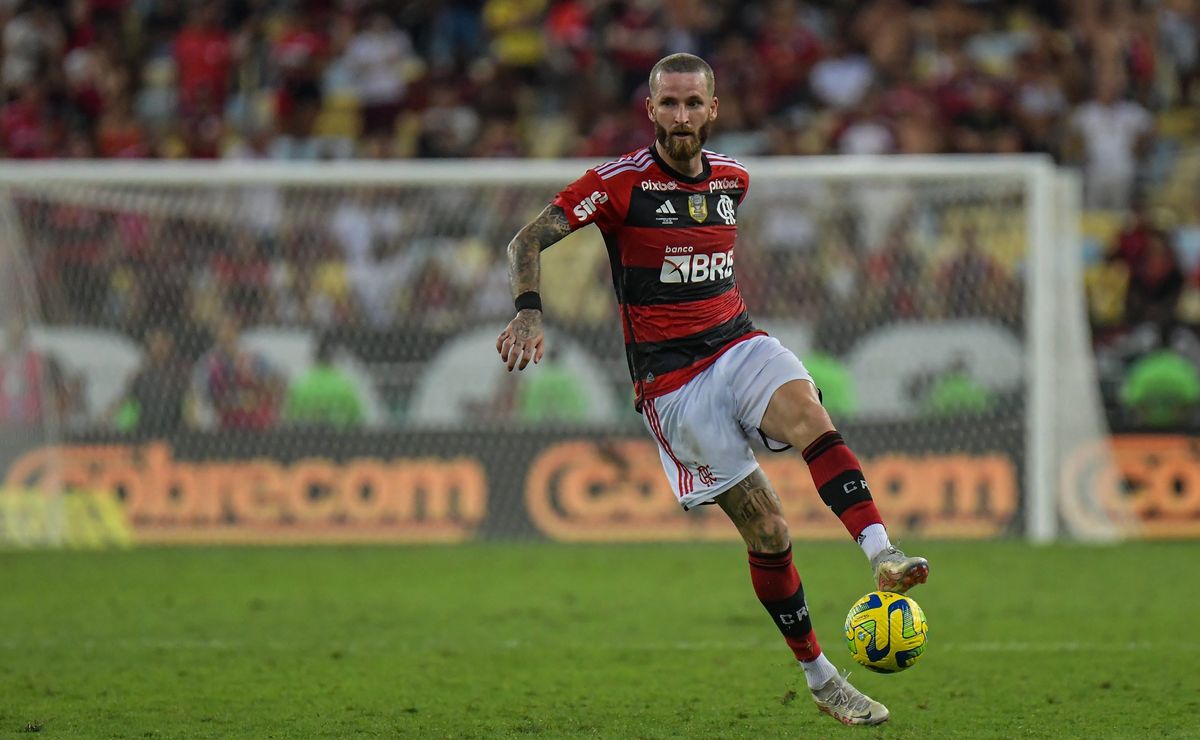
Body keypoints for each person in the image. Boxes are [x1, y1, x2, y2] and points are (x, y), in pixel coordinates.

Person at [495, 52, 928, 727]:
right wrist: (529, 307)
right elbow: (527, 238)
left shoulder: (733, 178)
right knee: (771, 531)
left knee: (809, 413)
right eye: (669, 104)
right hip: (672, 384)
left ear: (713, 109)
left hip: (737, 342)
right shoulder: (617, 185)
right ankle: (820, 677)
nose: (681, 117)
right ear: (650, 110)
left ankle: (883, 554)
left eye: (693, 104)